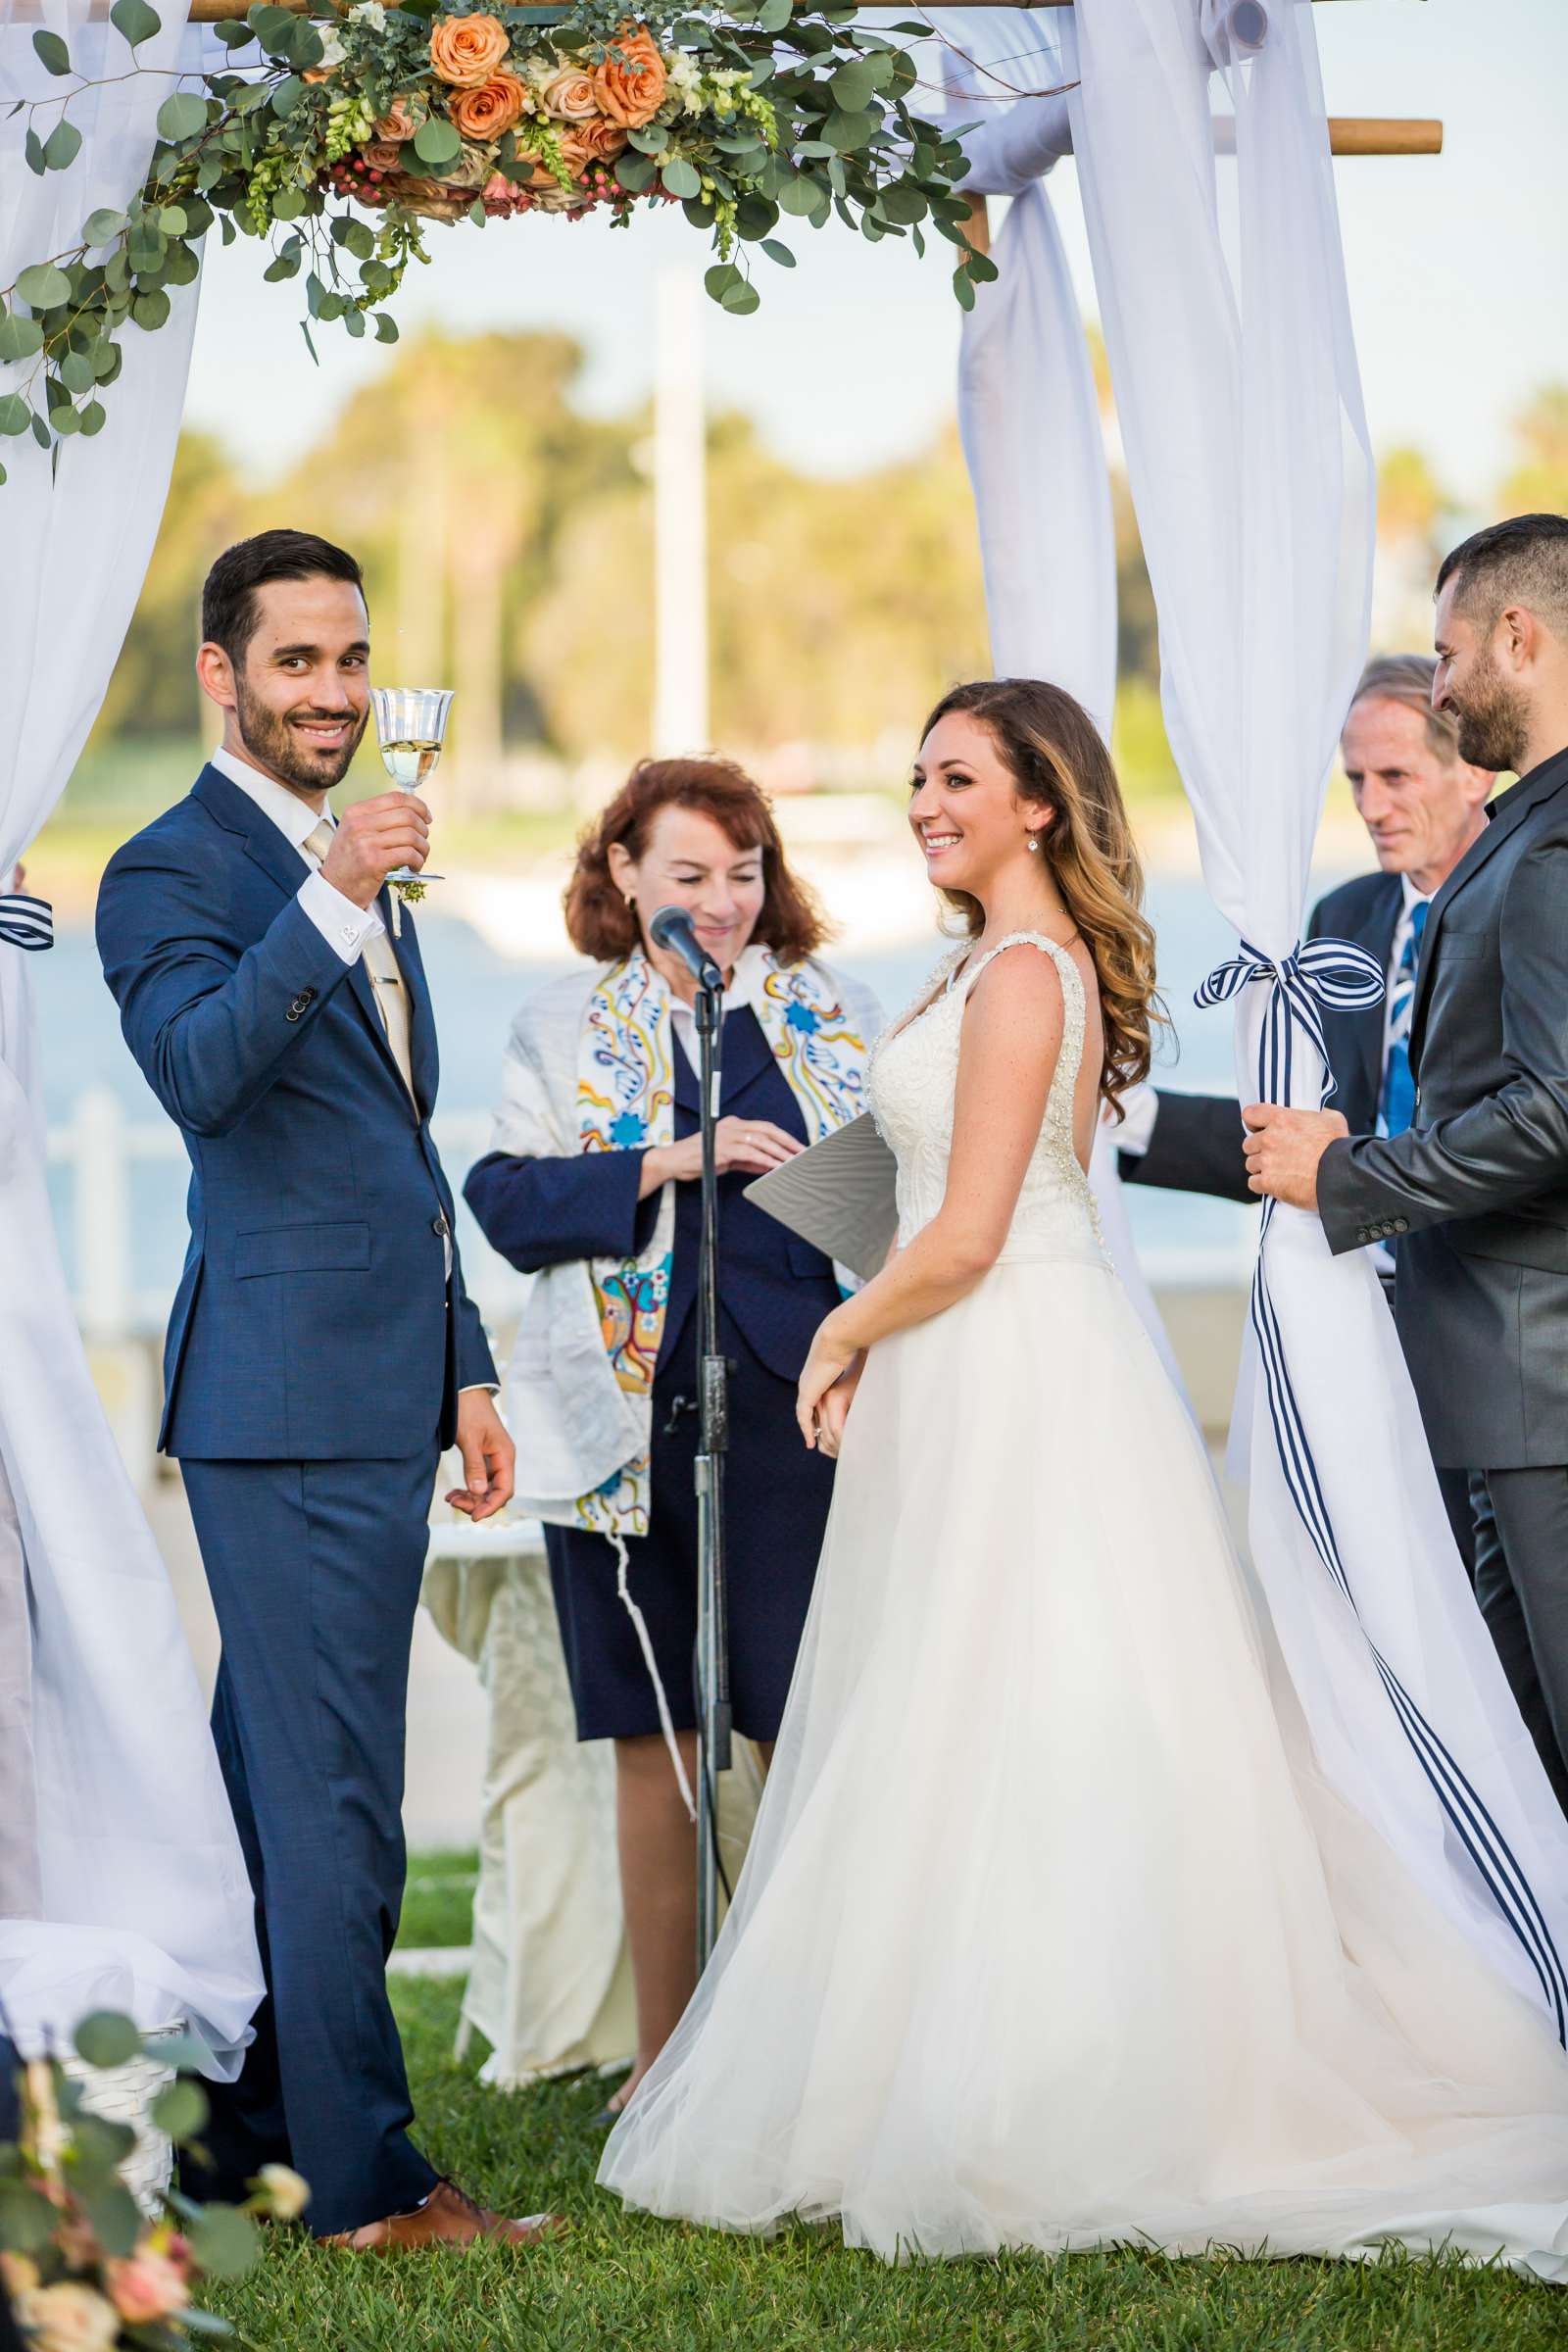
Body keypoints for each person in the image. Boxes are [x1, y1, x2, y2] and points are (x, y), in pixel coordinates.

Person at [599, 676, 1568, 2272]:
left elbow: (971, 1228)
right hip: (967, 1362)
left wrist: (843, 1331)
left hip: (1015, 1365)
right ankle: (929, 2060)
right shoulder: (974, 964)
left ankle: (1053, 2083)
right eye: (916, 775)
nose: (924, 800)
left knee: (1036, 1708)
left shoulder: (1029, 973)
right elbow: (920, 1187)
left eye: (958, 775)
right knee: (953, 1712)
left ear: (1039, 799)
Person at [95, 531, 557, 2251]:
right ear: (223, 675)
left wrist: (467, 1365)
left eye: (353, 661)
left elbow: (394, 1150)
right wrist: (331, 899)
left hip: (378, 1382)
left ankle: (240, 2150)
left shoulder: (347, 866)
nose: (335, 696)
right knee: (342, 1806)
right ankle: (367, 2191)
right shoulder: (168, 870)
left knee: (268, 1798)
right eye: (299, 663)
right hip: (280, 1405)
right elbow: (205, 1078)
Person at [464, 758, 879, 2118]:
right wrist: (662, 1162)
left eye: (745, 871)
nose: (723, 900)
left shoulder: (833, 1013)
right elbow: (507, 1202)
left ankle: (811, 2059)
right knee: (656, 1740)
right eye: (690, 873)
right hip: (618, 1421)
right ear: (624, 874)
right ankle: (663, 2068)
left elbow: (891, 1216)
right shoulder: (559, 1026)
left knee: (798, 1734)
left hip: (799, 1413)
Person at [1246, 513, 1568, 1820]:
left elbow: (1555, 1110)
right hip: (1494, 1376)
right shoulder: (1529, 835)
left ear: (1520, 636)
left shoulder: (1545, 852)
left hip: (1539, 1385)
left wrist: (1351, 1175)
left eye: (1444, 658)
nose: (1437, 691)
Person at [1117, 653, 1494, 1567]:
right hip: (1360, 1332)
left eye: (1394, 775)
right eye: (1356, 778)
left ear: (1474, 768)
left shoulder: (1530, 907)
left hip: (1499, 1333)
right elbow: (1305, 1143)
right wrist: (1124, 1117)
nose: (1368, 806)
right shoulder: (1343, 920)